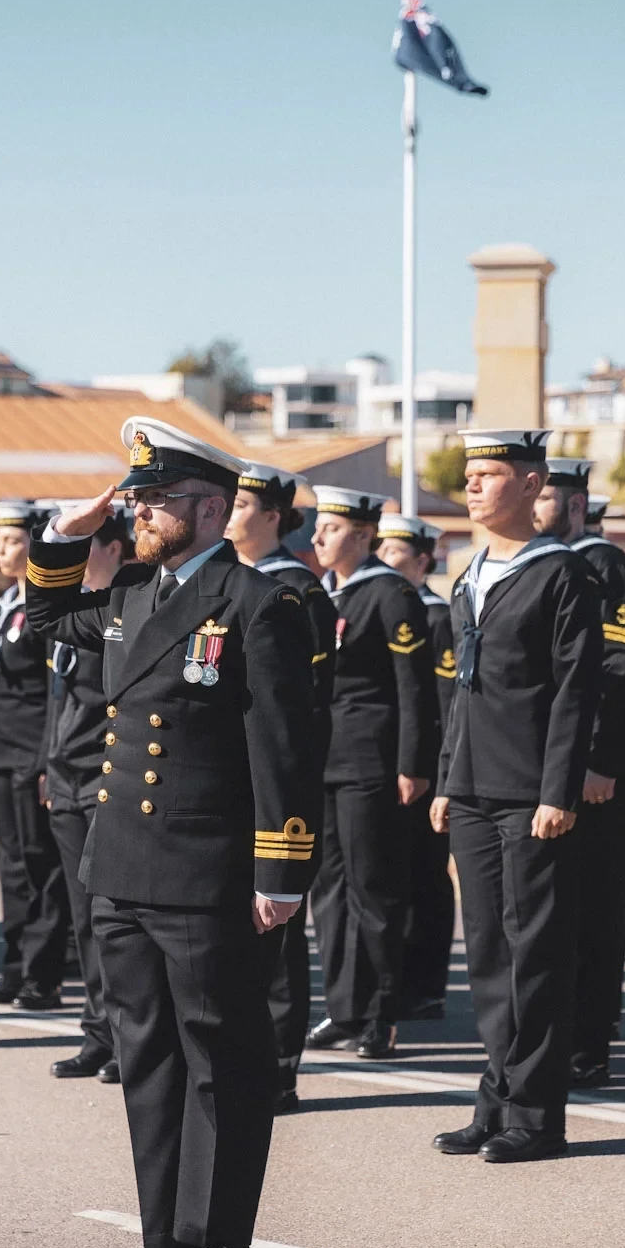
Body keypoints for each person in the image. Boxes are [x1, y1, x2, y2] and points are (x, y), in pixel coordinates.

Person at [25, 417, 318, 1248]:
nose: (139, 513)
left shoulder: (259, 603)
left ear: (214, 507)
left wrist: (281, 873)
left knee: (220, 1065)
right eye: (136, 499)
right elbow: (46, 613)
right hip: (121, 870)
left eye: (154, 501)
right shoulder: (131, 598)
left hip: (206, 872)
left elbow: (285, 751)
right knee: (147, 1061)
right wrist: (62, 536)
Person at [430, 429, 604, 1165]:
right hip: (473, 788)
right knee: (488, 956)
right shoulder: (471, 574)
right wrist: (446, 778)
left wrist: (557, 789)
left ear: (532, 486)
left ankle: (536, 1116)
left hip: (531, 794)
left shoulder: (559, 574)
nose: (472, 487)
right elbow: (458, 694)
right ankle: (496, 1097)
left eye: (490, 474)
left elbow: (575, 691)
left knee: (534, 953)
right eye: (469, 475)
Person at [301, 485, 437, 1062]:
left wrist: (413, 764)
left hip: (372, 762)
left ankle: (381, 1013)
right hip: (326, 759)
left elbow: (414, 688)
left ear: (361, 535)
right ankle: (343, 1006)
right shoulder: (324, 595)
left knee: (373, 890)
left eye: (328, 530)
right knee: (329, 892)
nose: (316, 539)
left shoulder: (390, 594)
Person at [537, 458, 625, 1089]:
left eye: (546, 492)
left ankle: (589, 1041)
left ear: (576, 502)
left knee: (593, 903)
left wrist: (601, 761)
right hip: (560, 765)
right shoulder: (550, 562)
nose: (534, 503)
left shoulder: (604, 564)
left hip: (592, 771)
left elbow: (620, 667)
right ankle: (571, 1033)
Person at [228, 461, 337, 1109]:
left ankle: (280, 1061)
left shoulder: (295, 590)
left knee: (275, 927)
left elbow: (306, 701)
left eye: (241, 503)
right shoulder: (226, 582)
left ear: (273, 516)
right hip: (227, 782)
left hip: (275, 777)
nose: (230, 512)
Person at [42, 501, 152, 1083]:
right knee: (85, 919)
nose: (80, 561)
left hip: (107, 777)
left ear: (114, 547)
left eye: (89, 546)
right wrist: (47, 765)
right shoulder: (85, 612)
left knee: (116, 918)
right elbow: (57, 701)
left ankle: (125, 1035)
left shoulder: (132, 604)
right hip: (66, 777)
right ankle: (97, 1032)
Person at [0, 499, 69, 1010]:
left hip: (32, 750)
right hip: (2, 749)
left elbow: (56, 688)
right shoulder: (6, 602)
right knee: (12, 866)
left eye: (11, 541)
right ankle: (15, 967)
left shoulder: (45, 607)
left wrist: (48, 760)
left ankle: (43, 974)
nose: (0, 550)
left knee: (39, 866)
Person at [374, 513, 455, 1023]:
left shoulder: (435, 614)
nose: (382, 558)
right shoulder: (377, 602)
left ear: (421, 561)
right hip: (388, 760)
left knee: (425, 875)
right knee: (391, 876)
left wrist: (434, 769)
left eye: (393, 552)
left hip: (425, 765)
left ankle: (425, 984)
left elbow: (441, 701)